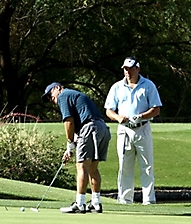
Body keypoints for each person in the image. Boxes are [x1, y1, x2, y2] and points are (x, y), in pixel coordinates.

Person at [42, 82, 111, 213]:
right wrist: (71, 147)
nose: (52, 100)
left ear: (58, 88)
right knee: (92, 168)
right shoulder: (74, 95)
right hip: (102, 128)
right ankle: (96, 203)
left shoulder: (63, 96)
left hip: (89, 128)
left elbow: (69, 121)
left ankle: (80, 203)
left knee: (81, 166)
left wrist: (70, 143)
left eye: (51, 95)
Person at [104, 57, 162, 205]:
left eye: (130, 68)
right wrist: (117, 118)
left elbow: (156, 109)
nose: (127, 72)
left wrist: (141, 116)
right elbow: (109, 110)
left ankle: (148, 200)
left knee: (147, 166)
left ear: (138, 68)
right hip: (124, 130)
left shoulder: (148, 85)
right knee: (124, 166)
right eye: (125, 69)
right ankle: (124, 200)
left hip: (142, 128)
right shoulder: (117, 87)